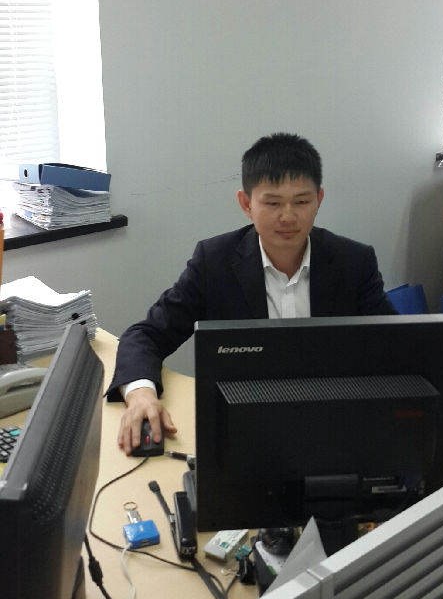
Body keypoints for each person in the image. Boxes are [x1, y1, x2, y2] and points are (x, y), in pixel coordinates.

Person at [107, 132, 396, 454]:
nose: (288, 216)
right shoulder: (214, 263)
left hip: (333, 425)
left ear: (319, 199)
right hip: (244, 430)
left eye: (302, 202)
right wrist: (141, 394)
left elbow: (397, 345)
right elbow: (146, 334)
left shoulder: (353, 263)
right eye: (272, 203)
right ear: (246, 204)